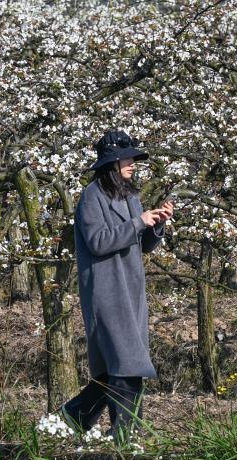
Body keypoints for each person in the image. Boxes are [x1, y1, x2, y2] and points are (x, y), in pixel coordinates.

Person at [61, 130, 174, 442]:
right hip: (106, 292)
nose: (133, 164)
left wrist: (158, 223)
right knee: (127, 362)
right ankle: (125, 434)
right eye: (127, 159)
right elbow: (98, 241)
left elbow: (143, 245)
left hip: (132, 291)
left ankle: (72, 418)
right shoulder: (91, 198)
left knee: (118, 367)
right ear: (111, 164)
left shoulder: (130, 197)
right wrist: (139, 222)